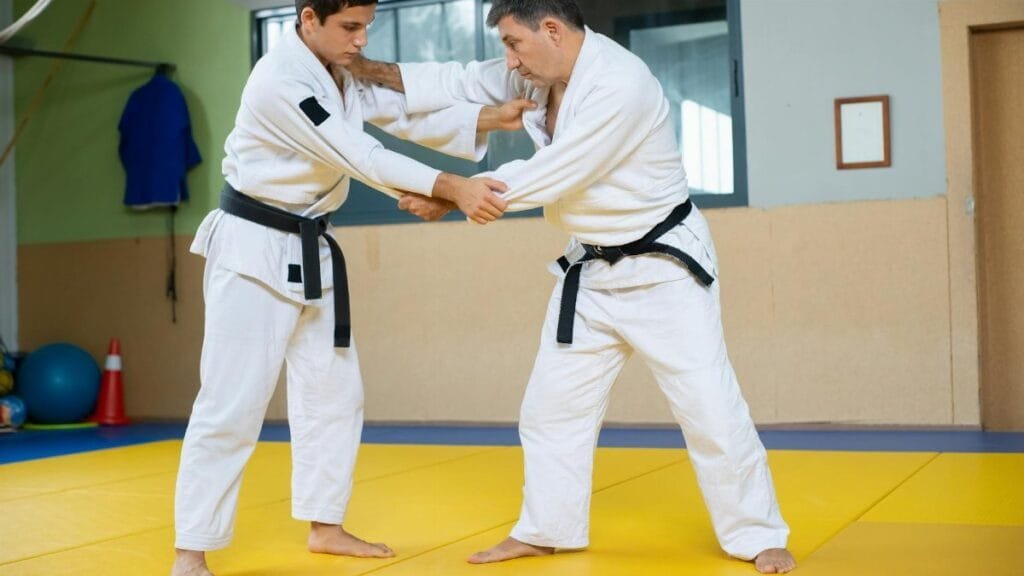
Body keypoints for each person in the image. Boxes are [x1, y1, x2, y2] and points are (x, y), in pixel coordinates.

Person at [347, 0, 797, 572]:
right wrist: (362, 70)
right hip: (590, 269)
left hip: (663, 270)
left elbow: (555, 172)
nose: (509, 60)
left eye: (514, 43)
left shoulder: (621, 85)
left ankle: (758, 535)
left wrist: (452, 195)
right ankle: (546, 529)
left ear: (552, 30)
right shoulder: (537, 71)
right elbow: (454, 80)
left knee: (709, 407)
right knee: (550, 410)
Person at [170, 1, 532, 574]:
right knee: (231, 404)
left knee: (334, 394)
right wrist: (452, 187)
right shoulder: (279, 81)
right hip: (252, 249)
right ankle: (190, 550)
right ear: (308, 18)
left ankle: (326, 526)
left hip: (312, 244)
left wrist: (489, 118)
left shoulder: (337, 70)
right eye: (349, 27)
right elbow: (358, 153)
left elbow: (399, 113)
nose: (361, 40)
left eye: (366, 26)